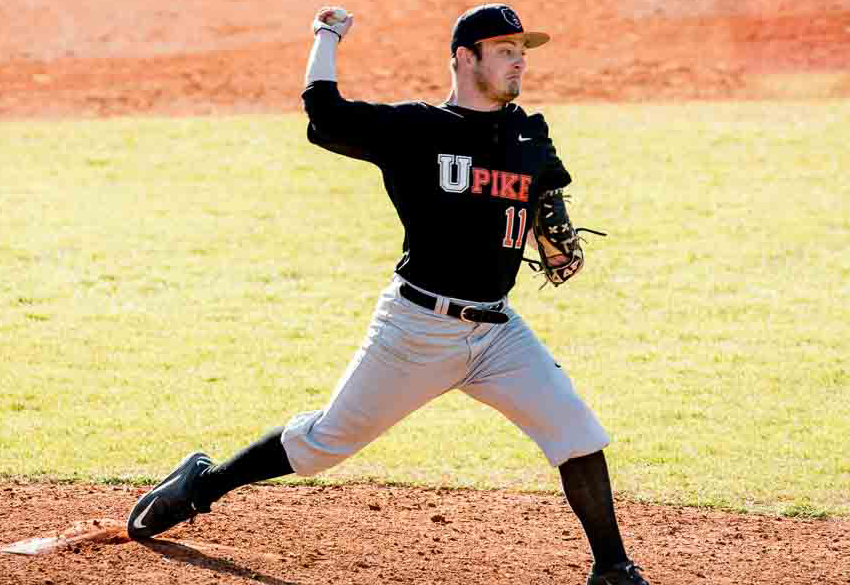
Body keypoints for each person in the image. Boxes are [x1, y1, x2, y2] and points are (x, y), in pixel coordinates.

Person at [127, 5, 651, 584]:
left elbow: (545, 196)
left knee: (575, 431)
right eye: (505, 49)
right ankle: (202, 484)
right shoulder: (416, 130)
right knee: (325, 443)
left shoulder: (529, 132)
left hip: (499, 333)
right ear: (464, 58)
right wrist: (327, 36)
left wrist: (550, 227)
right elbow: (324, 116)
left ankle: (613, 569)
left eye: (522, 50)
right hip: (417, 328)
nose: (519, 59)